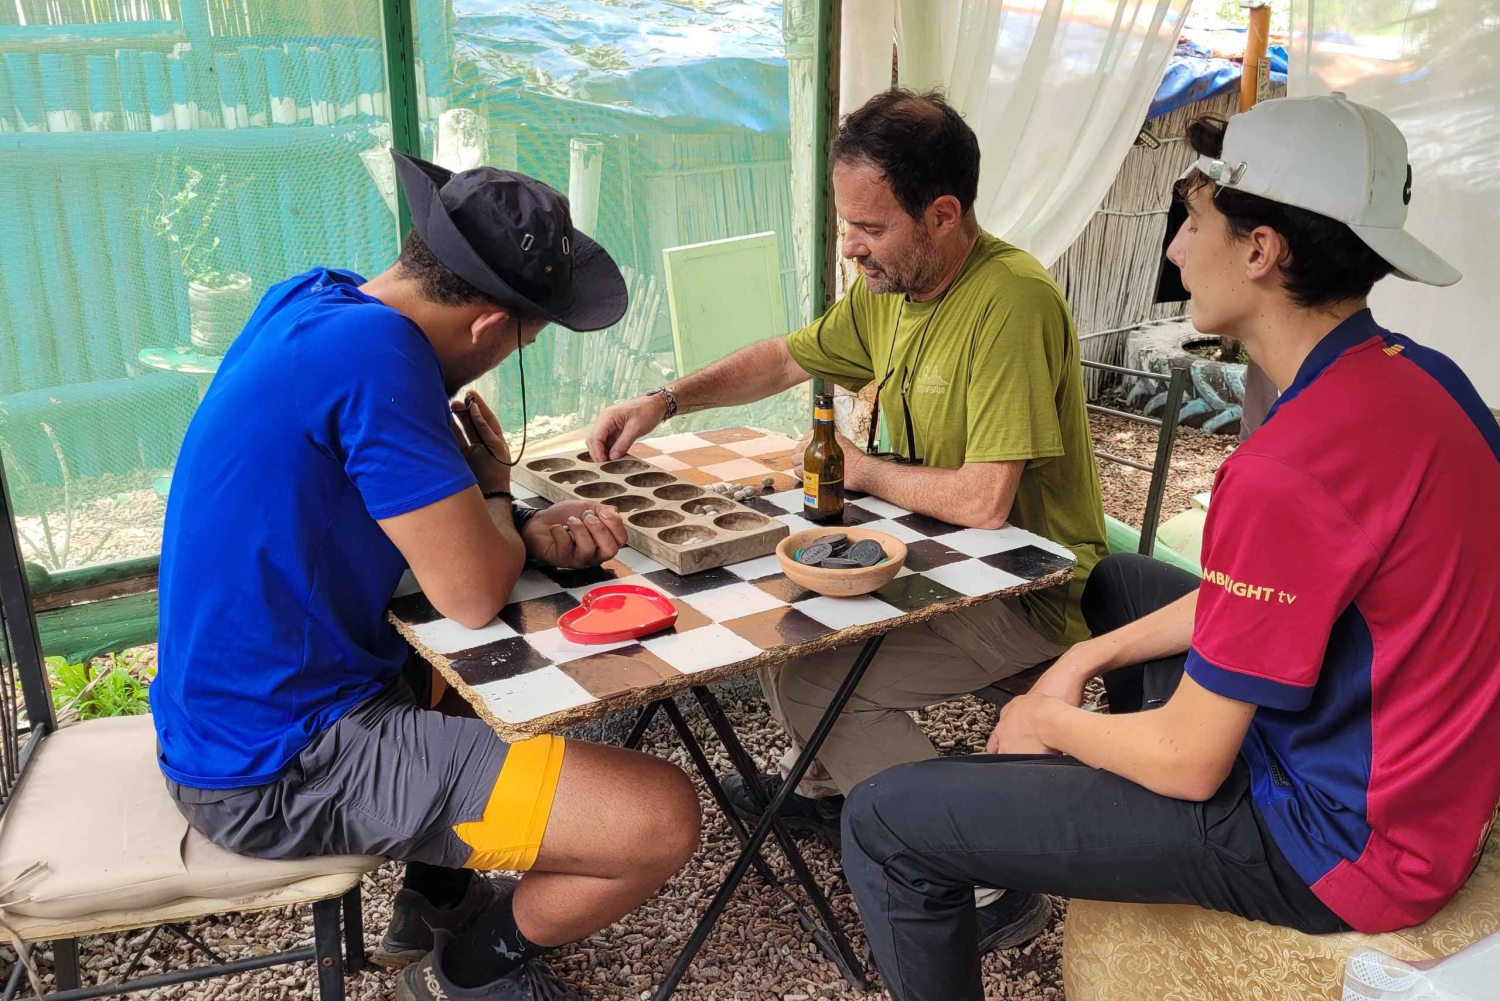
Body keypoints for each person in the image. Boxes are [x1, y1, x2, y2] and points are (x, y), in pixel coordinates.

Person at [840, 93, 1500, 1001]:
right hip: (1420, 788)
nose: (1178, 249)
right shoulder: (1424, 380)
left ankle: (1100, 802)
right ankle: (1105, 783)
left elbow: (1193, 760)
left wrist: (1051, 720)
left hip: (1339, 841)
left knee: (886, 819)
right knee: (1118, 584)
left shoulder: (1289, 468)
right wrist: (1084, 654)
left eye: (1191, 220)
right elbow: (1283, 585)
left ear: (1261, 249)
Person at [152, 151, 701, 1001]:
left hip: (232, 711)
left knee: (455, 672)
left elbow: (390, 521)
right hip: (279, 763)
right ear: (487, 326)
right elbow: (472, 594)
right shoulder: (382, 363)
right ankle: (465, 972)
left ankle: (435, 899)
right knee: (661, 817)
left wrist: (511, 526)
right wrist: (491, 493)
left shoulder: (315, 300)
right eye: (520, 341)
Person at [587, 87, 1108, 951]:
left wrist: (861, 468)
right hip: (936, 560)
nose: (850, 246)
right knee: (784, 622)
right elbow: (784, 358)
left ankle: (985, 880)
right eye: (845, 222)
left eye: (869, 226)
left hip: (1033, 586)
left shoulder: (1010, 299)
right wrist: (665, 398)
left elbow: (985, 501)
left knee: (813, 677)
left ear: (942, 215)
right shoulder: (890, 288)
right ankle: (842, 789)